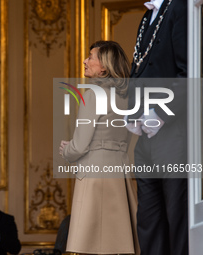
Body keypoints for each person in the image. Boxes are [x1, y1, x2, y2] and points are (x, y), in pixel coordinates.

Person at [59, 41, 139, 255]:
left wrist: (67, 150)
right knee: (118, 246)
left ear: (104, 66)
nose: (85, 61)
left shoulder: (94, 94)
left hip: (95, 175)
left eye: (91, 57)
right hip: (120, 173)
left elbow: (80, 145)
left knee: (91, 247)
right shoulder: (128, 96)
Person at [126, 0, 188, 254]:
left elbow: (189, 73)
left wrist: (160, 114)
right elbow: (138, 69)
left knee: (177, 218)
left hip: (174, 133)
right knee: (149, 222)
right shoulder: (146, 17)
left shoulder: (182, 7)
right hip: (146, 137)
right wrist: (133, 111)